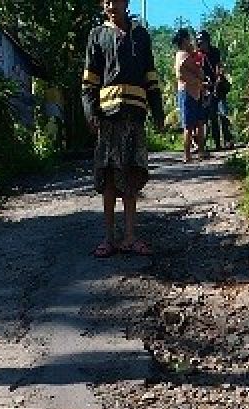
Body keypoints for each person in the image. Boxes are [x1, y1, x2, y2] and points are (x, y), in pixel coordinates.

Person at [81, 0, 165, 257]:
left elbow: (150, 76)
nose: (110, 4)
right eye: (105, 0)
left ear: (126, 2)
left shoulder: (140, 35)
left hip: (135, 118)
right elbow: (89, 81)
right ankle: (109, 238)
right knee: (108, 178)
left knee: (131, 176)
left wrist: (158, 111)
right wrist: (91, 112)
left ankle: (130, 237)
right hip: (108, 119)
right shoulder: (97, 35)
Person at [173, 28, 207, 162]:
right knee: (188, 125)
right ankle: (187, 154)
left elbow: (199, 68)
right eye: (188, 38)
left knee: (200, 122)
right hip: (187, 92)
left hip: (197, 91)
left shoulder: (190, 54)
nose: (191, 41)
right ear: (184, 40)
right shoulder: (181, 55)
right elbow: (181, 74)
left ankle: (201, 151)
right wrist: (197, 79)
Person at [195, 30, 224, 150]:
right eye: (200, 42)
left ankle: (219, 142)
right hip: (203, 87)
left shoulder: (214, 51)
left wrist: (217, 80)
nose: (202, 44)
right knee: (202, 116)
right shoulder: (198, 55)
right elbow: (196, 70)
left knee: (217, 114)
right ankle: (201, 144)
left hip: (215, 86)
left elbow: (218, 67)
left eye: (203, 42)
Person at [213, 66, 235, 148]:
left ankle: (228, 140)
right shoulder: (214, 77)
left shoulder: (223, 78)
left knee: (224, 119)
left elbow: (227, 87)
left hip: (221, 99)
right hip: (216, 99)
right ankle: (218, 143)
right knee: (215, 120)